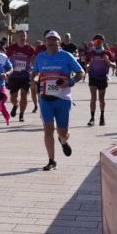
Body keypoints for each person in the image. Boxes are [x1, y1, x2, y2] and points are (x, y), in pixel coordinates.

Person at [33, 30, 83, 170]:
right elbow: (35, 73)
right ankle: (51, 160)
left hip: (63, 99)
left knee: (63, 132)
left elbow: (81, 73)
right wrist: (35, 78)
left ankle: (64, 141)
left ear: (59, 43)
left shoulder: (67, 56)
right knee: (48, 130)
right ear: (45, 43)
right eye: (49, 40)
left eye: (54, 40)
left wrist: (70, 82)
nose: (51, 42)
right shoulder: (40, 57)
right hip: (45, 99)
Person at [5, 28, 39, 120]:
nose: (22, 37)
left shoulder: (30, 49)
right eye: (21, 36)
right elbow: (6, 61)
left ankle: (21, 114)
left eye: (24, 36)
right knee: (13, 98)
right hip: (14, 76)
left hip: (25, 75)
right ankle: (16, 105)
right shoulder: (11, 48)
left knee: (24, 95)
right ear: (17, 37)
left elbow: (34, 60)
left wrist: (33, 68)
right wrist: (7, 73)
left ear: (26, 37)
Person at [85, 34, 112, 126]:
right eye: (96, 41)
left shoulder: (107, 53)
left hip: (102, 77)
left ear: (103, 42)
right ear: (93, 42)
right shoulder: (90, 53)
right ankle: (92, 118)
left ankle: (102, 116)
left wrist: (108, 62)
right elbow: (85, 65)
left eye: (100, 41)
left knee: (101, 99)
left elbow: (114, 65)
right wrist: (88, 66)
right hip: (92, 77)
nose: (98, 43)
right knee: (93, 98)